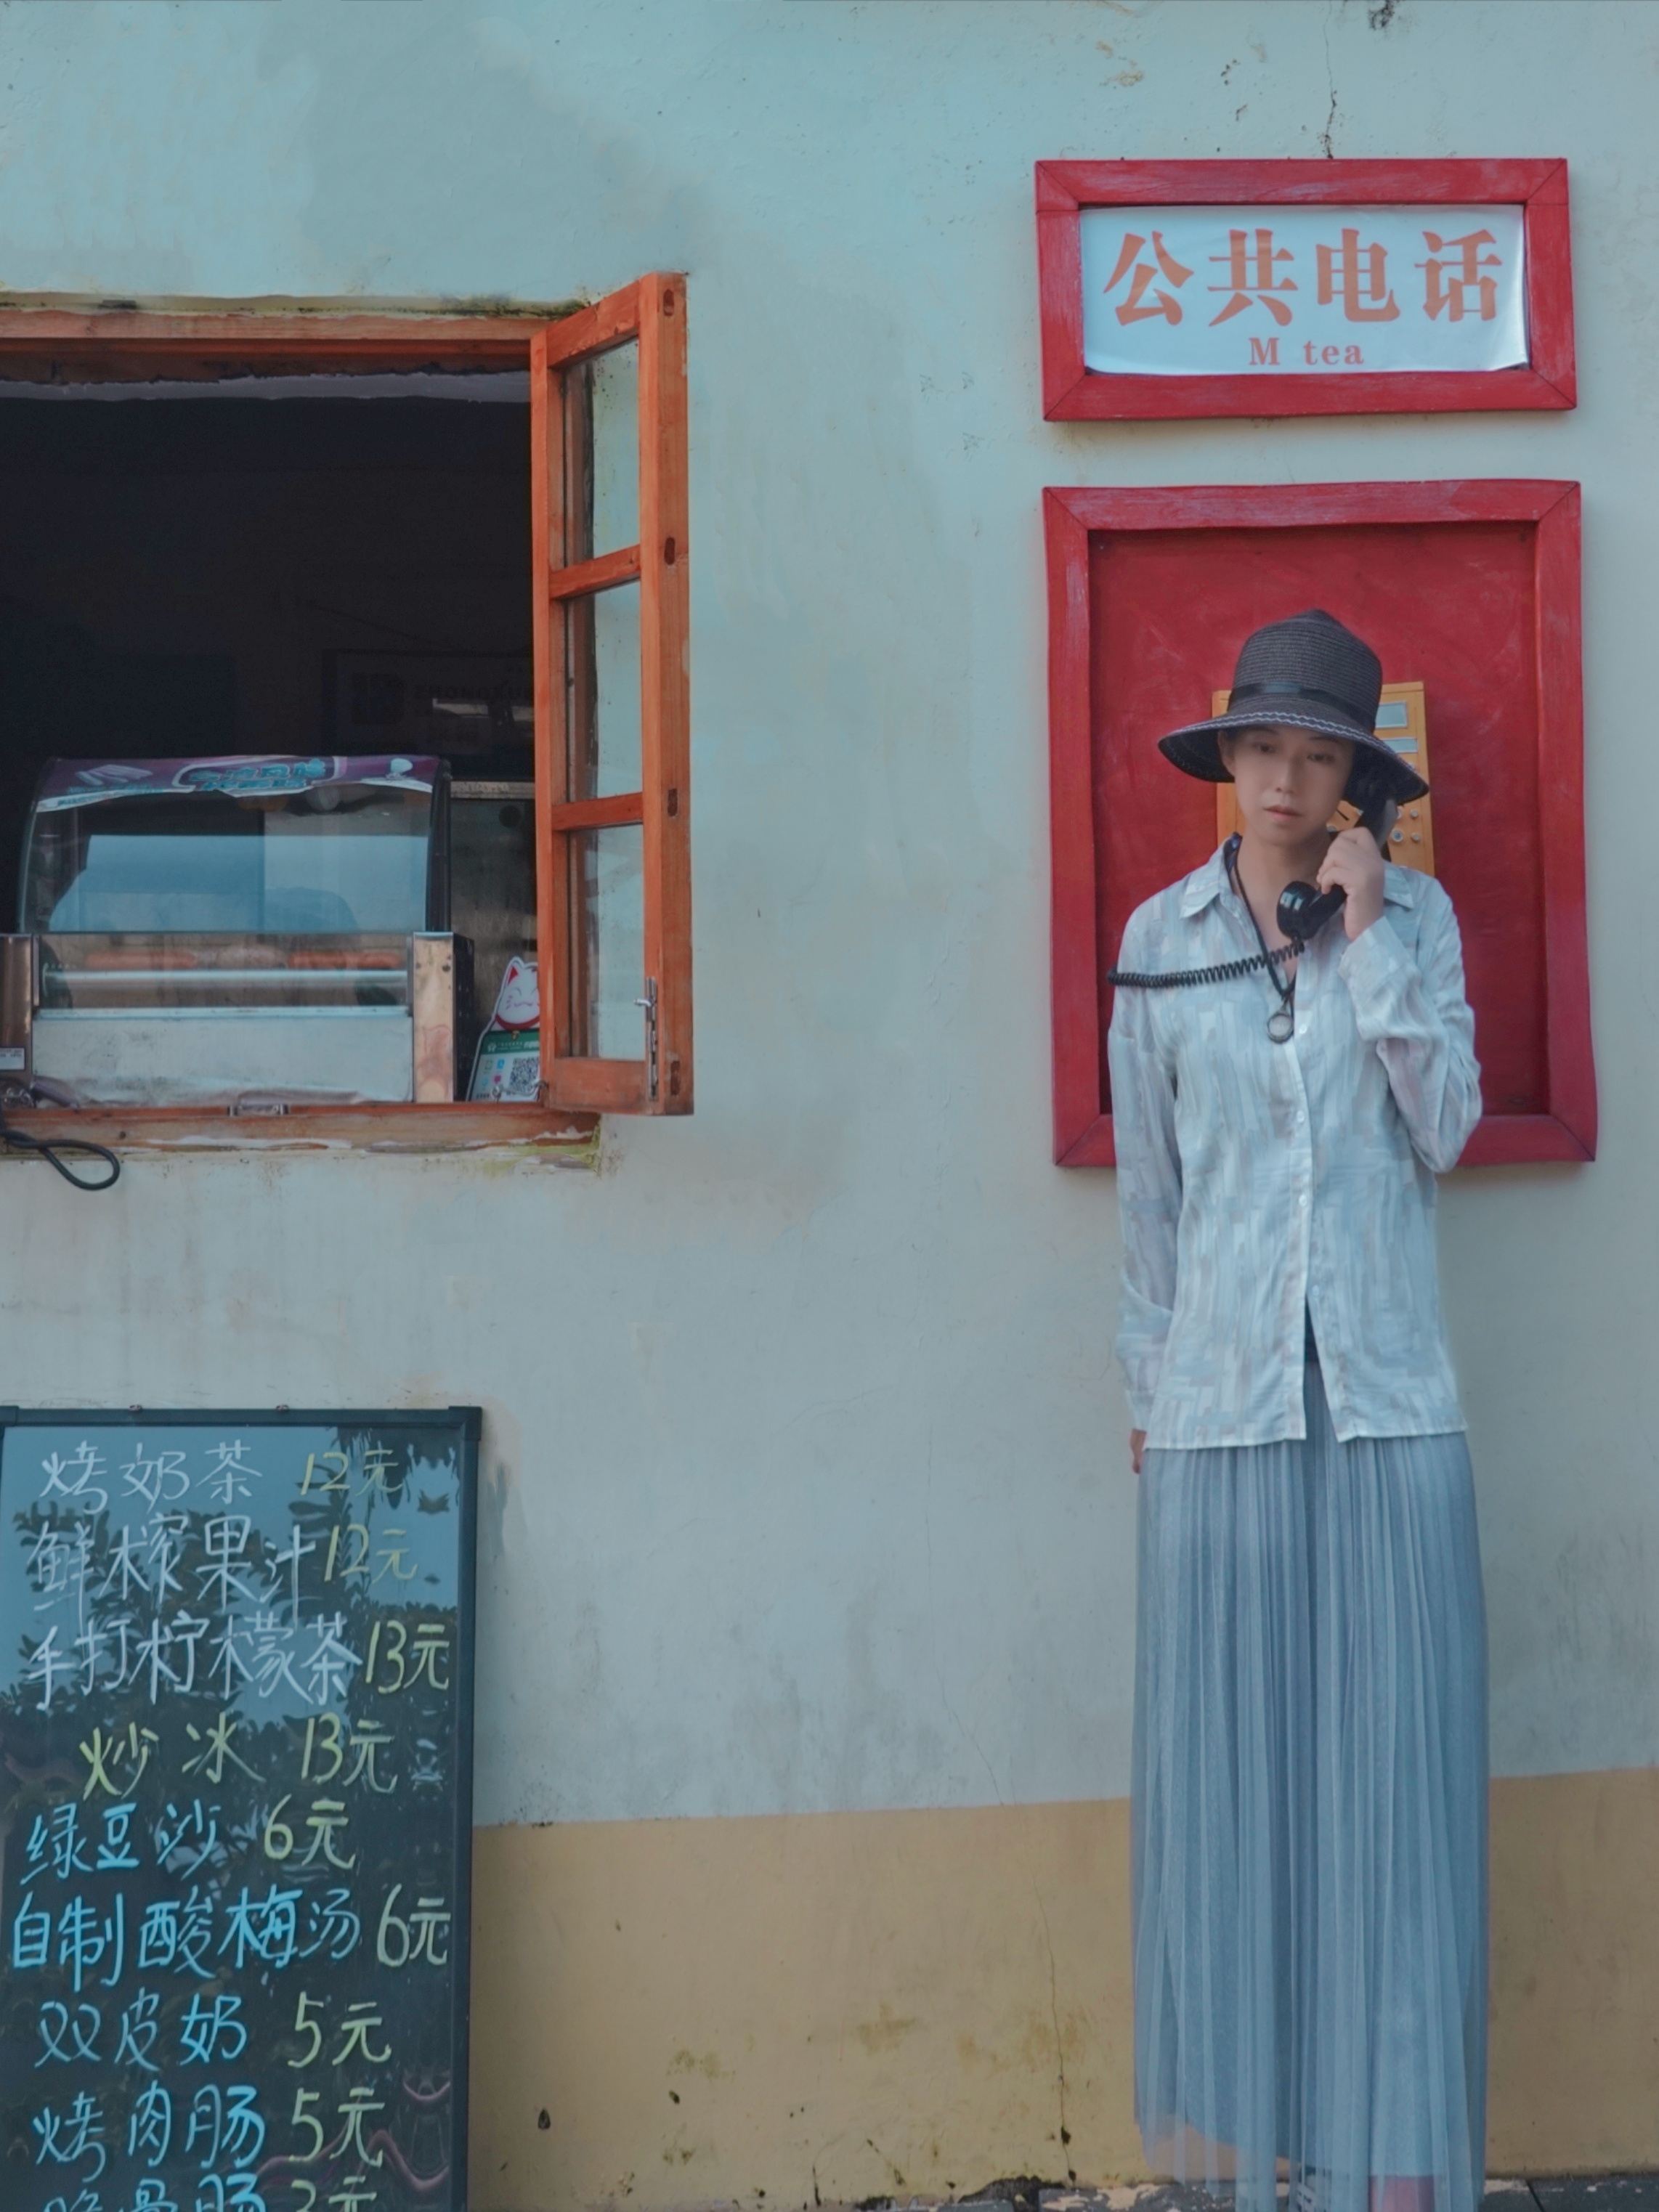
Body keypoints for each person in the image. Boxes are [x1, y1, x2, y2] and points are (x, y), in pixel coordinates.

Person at [1108, 609, 1486, 2212]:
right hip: (1219, 1423)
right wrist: (1150, 1397)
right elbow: (1149, 1202)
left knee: (1387, 1800)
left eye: (1314, 755)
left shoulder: (1414, 922)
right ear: (1223, 759)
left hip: (1388, 1411)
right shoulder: (1158, 936)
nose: (1279, 780)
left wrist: (1376, 933)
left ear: (1355, 783)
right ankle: (1245, 2156)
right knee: (1234, 1808)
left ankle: (1388, 2158)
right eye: (1258, 748)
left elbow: (1448, 1127)